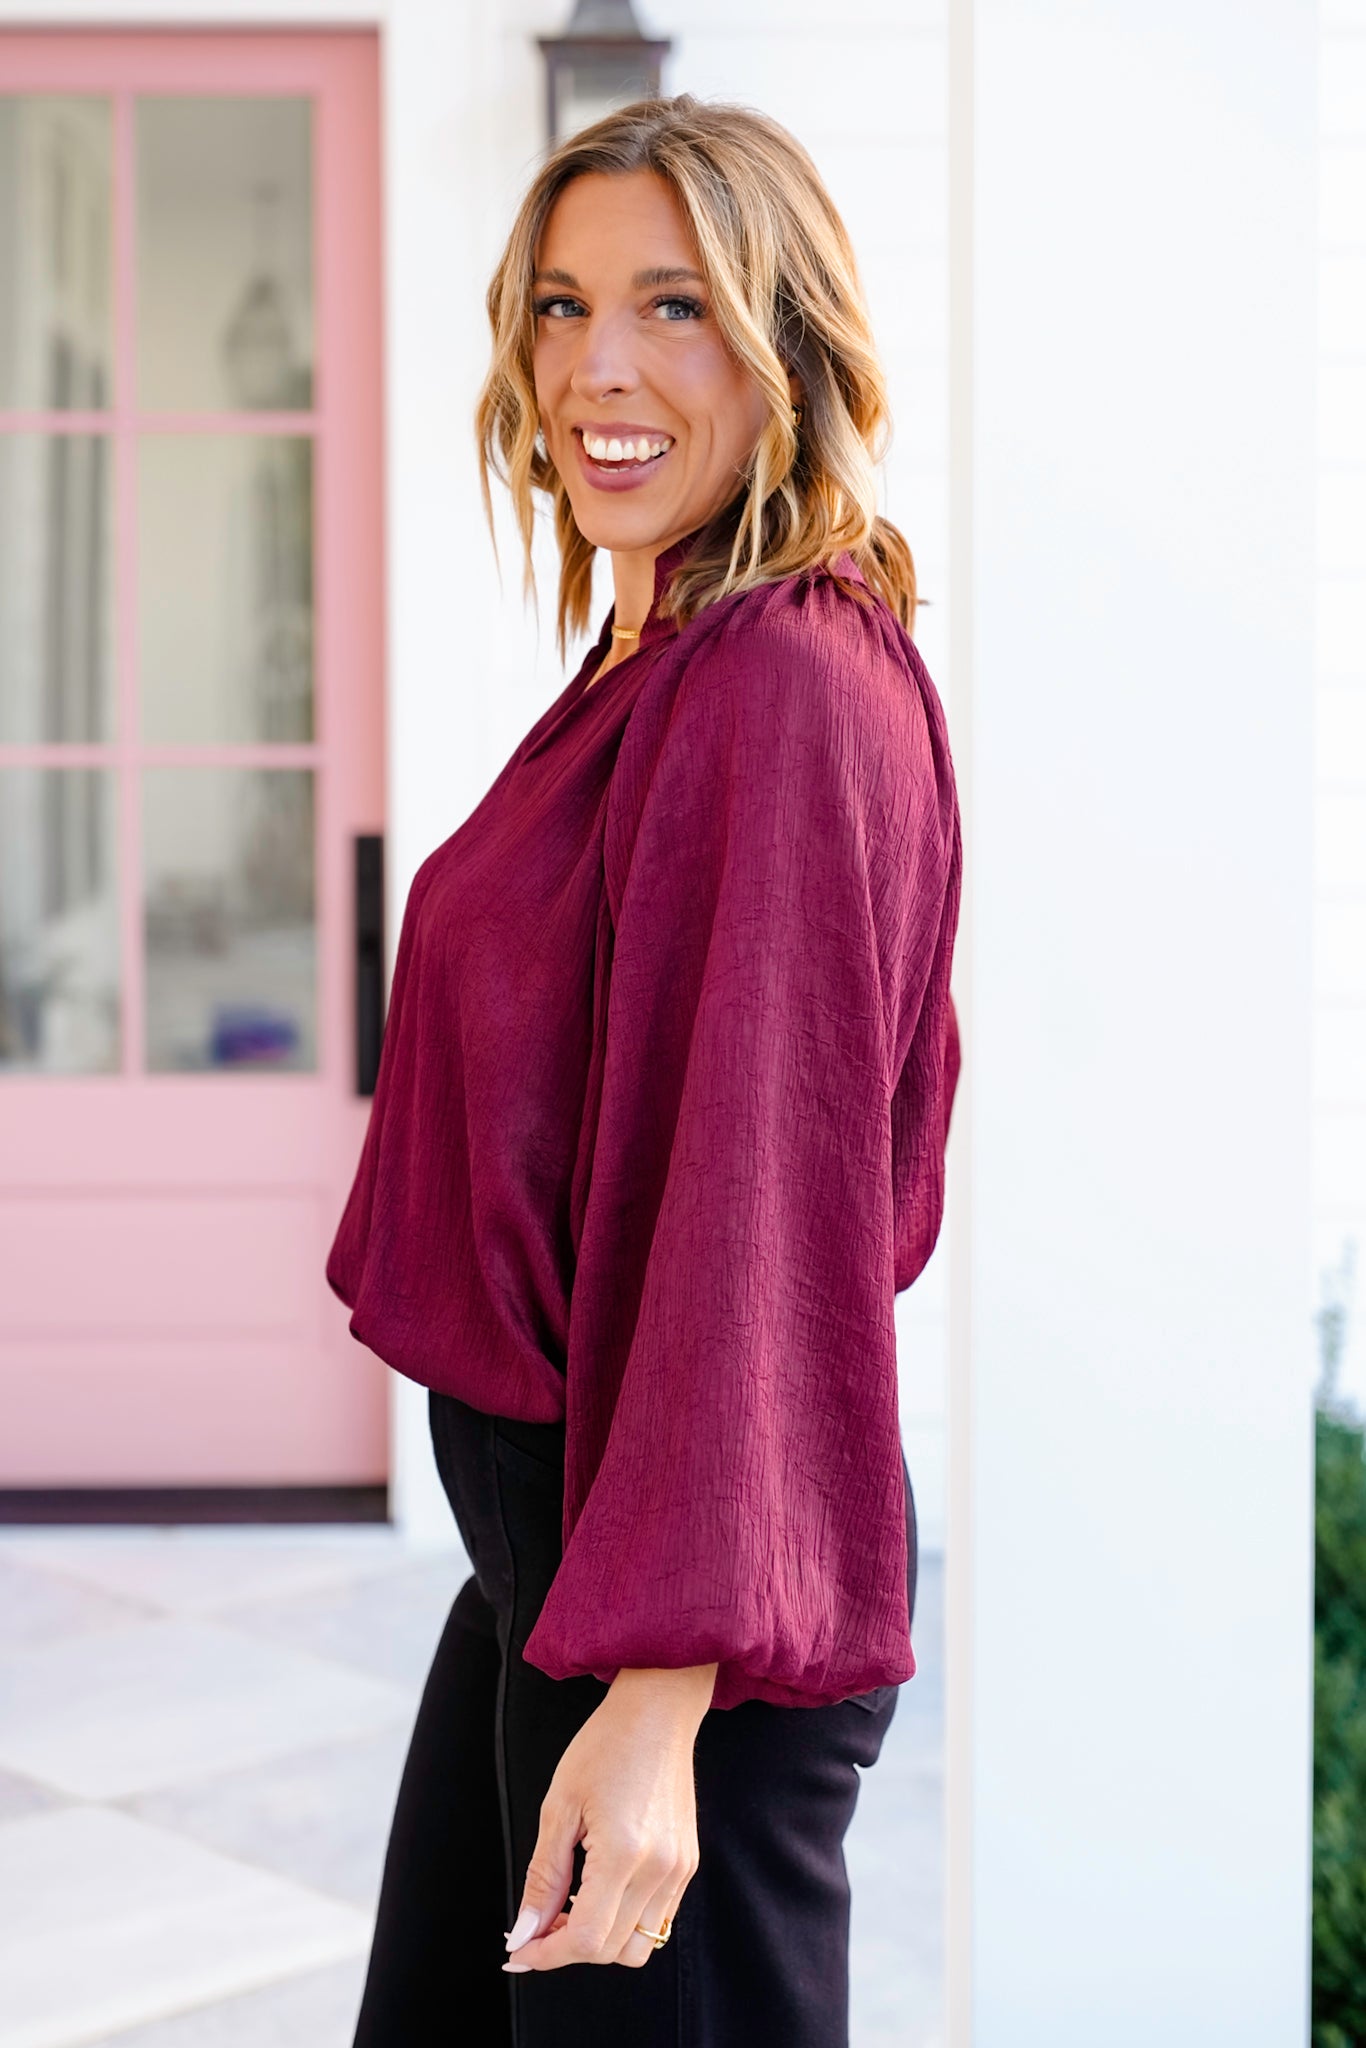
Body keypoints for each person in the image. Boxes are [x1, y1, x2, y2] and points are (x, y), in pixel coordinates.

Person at [326, 91, 962, 2048]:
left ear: (788, 348)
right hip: (568, 1564)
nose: (597, 365)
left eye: (673, 306)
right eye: (561, 305)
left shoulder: (776, 685)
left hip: (672, 1616)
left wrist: (666, 1689)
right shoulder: (666, 652)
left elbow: (756, 1205)